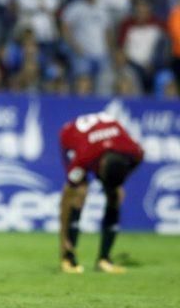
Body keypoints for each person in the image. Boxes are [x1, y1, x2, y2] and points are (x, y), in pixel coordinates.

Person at [58, 112, 144, 274]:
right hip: (71, 136)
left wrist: (118, 181)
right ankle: (68, 257)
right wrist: (63, 237)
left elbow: (139, 158)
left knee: (116, 195)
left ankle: (104, 259)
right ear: (100, 167)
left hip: (104, 142)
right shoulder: (83, 158)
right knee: (78, 194)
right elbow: (68, 192)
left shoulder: (133, 150)